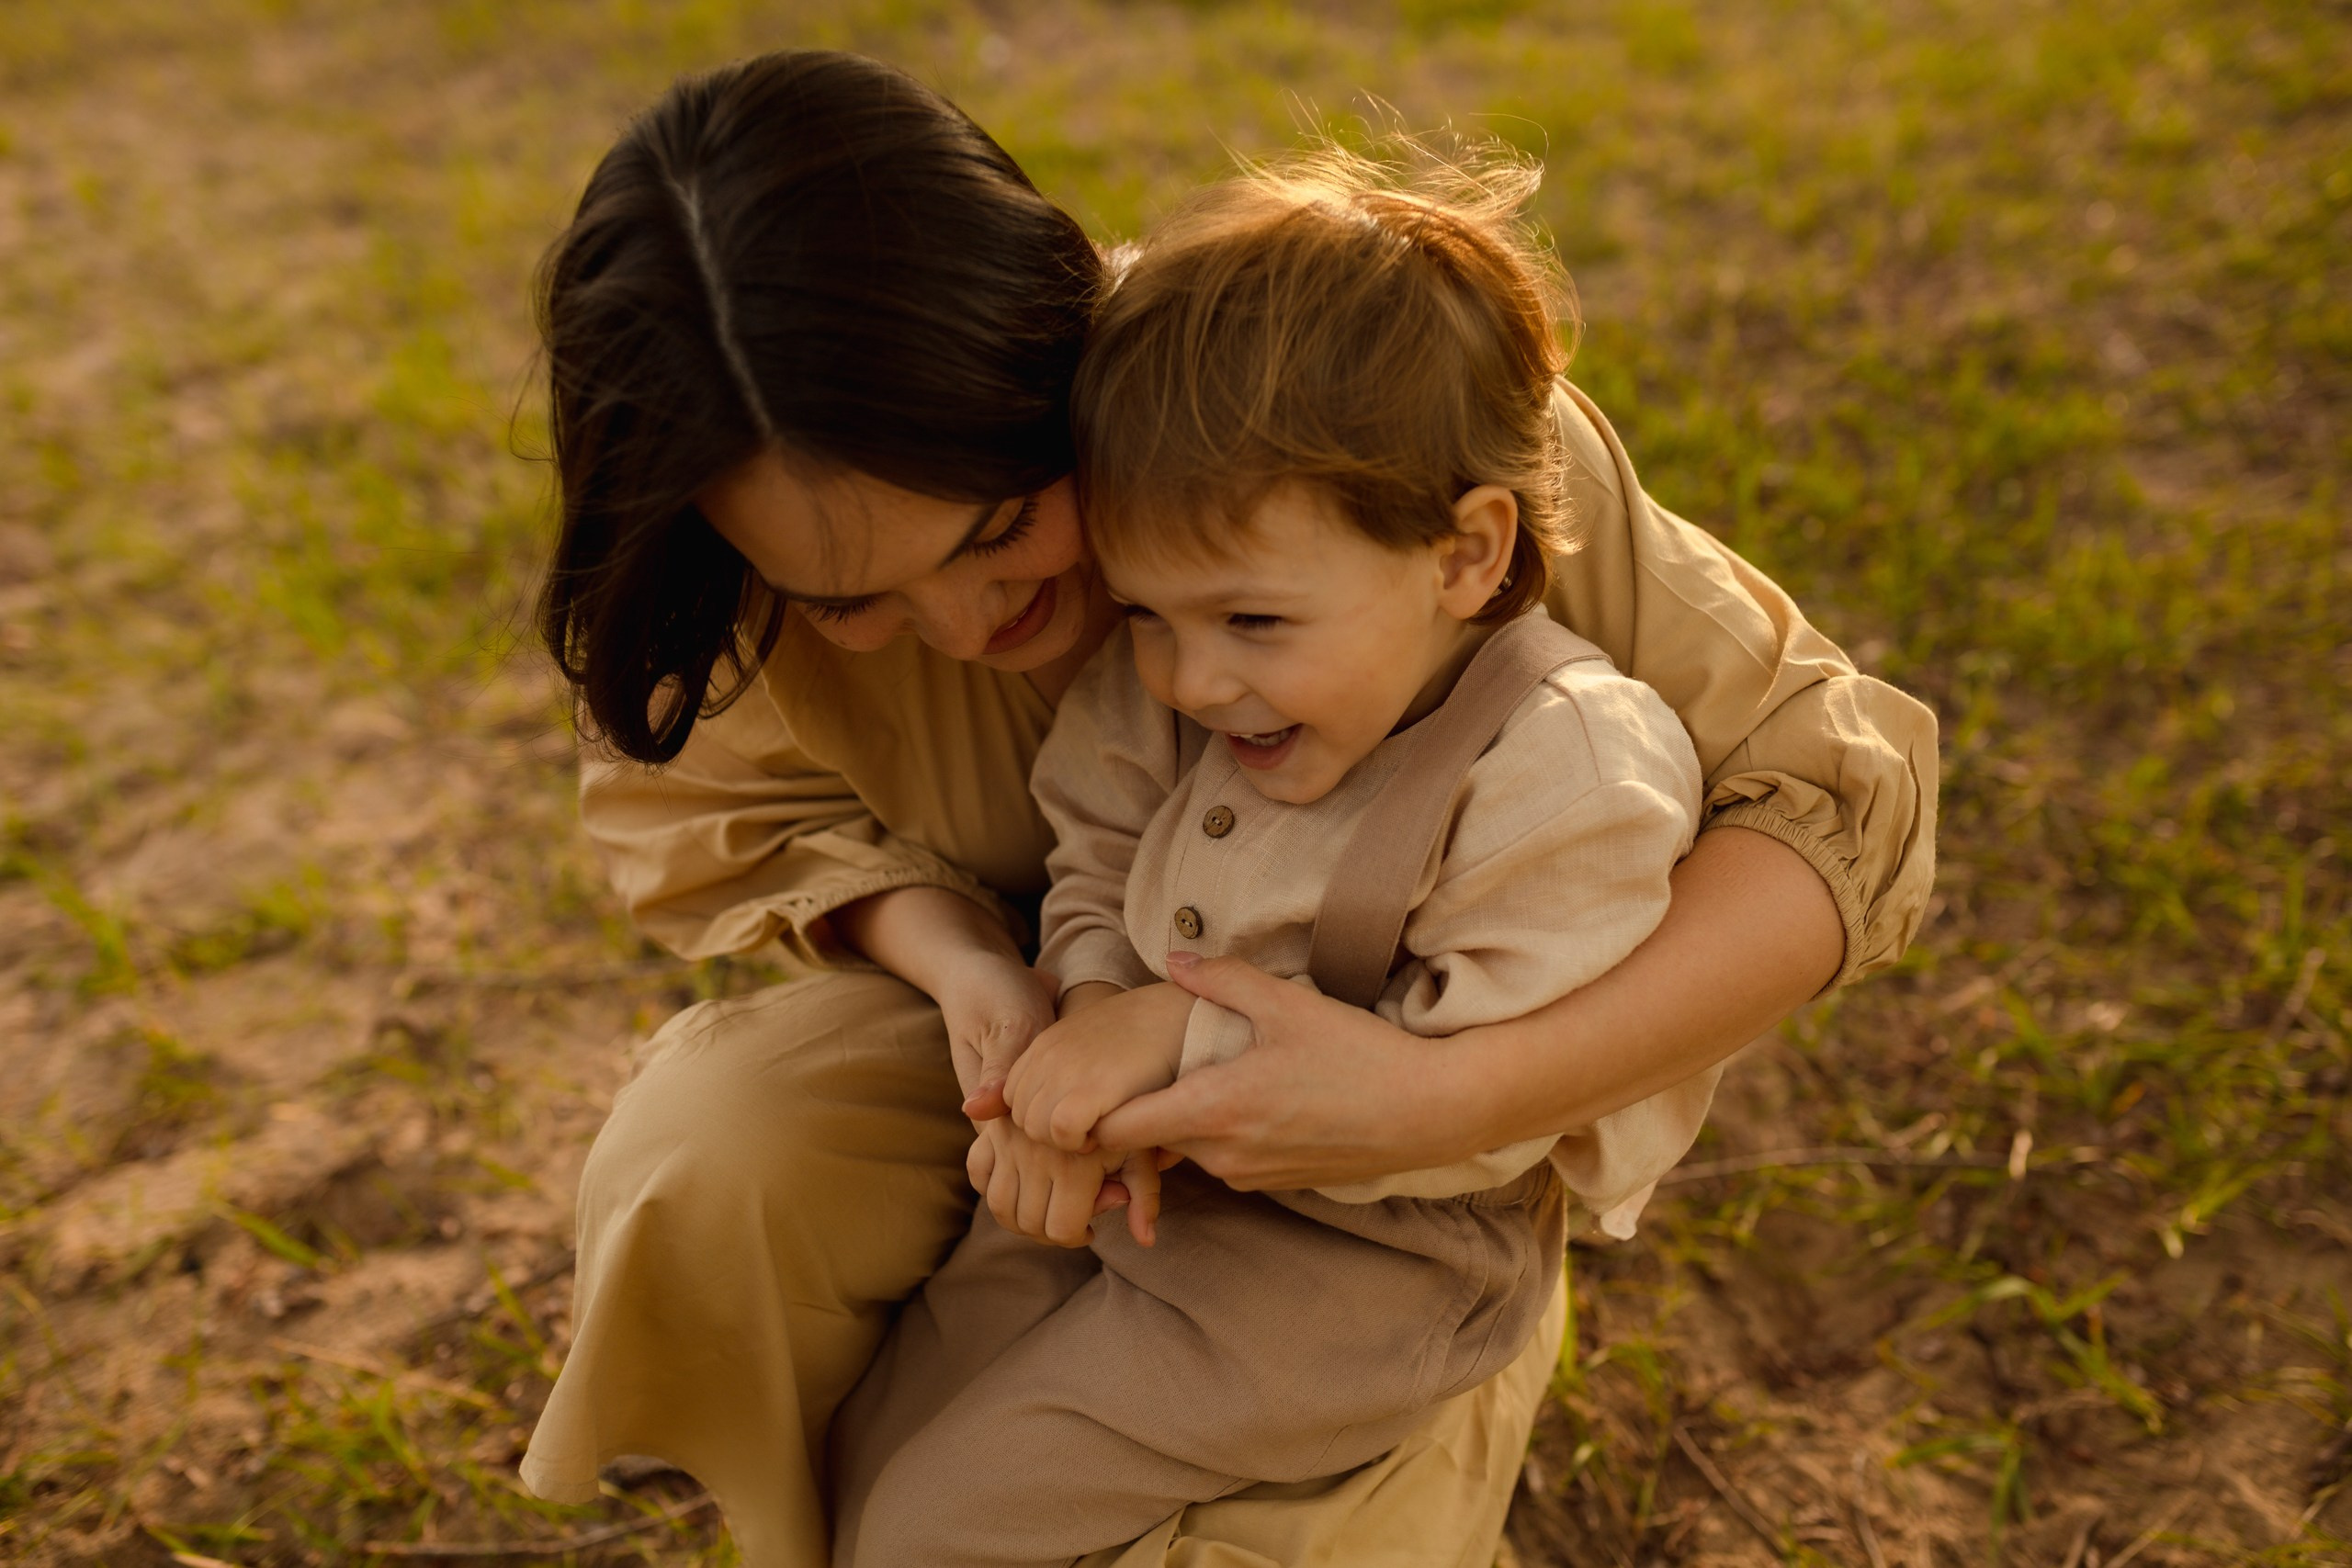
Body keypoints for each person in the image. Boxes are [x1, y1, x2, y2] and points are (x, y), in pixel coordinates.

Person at [518, 48, 1939, 1568]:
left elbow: (1832, 801)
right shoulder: (753, 557)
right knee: (727, 1154)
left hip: (1386, 1179)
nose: (962, 619)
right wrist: (986, 978)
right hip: (1064, 1085)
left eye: (1005, 528)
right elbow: (761, 821)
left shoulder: (1355, 426)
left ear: (1049, 342)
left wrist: (1452, 1095)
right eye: (856, 598)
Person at [827, 140, 1724, 1568]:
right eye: (1150, 615)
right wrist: (1088, 1013)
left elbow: (1479, 1097)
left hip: (1365, 1265)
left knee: (944, 1524)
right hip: (1150, 1182)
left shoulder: (1566, 775)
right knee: (883, 1434)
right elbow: (1095, 847)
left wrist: (1165, 1040)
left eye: (1250, 623)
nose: (1188, 680)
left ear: (1465, 557)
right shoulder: (1180, 682)